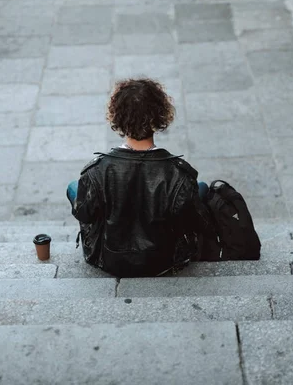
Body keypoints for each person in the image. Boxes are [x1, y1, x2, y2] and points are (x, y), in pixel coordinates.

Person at [66, 78, 212, 278]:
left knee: (73, 188)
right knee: (201, 187)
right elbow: (196, 222)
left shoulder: (96, 171)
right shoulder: (179, 174)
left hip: (110, 260)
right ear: (160, 116)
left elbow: (85, 214)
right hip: (163, 260)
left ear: (117, 117)